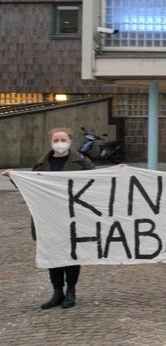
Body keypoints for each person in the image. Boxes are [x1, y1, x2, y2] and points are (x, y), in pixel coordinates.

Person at [3, 128, 95, 309]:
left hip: (72, 217)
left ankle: (71, 291)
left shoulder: (82, 162)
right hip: (47, 218)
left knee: (71, 255)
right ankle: (57, 291)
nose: (60, 142)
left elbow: (99, 182)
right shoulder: (41, 164)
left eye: (63, 139)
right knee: (52, 256)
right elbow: (29, 186)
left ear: (70, 140)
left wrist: (120, 172)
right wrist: (13, 177)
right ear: (51, 142)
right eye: (56, 139)